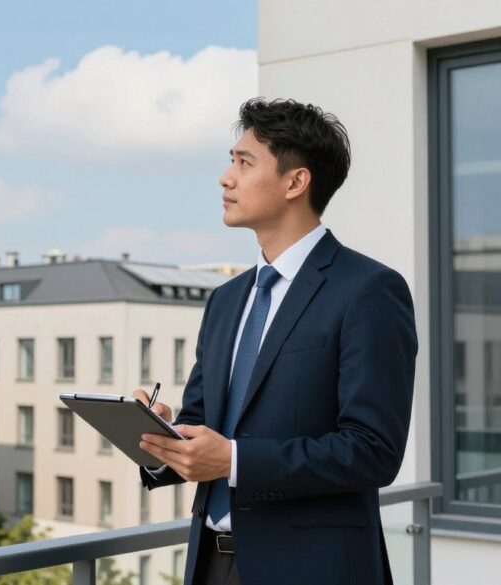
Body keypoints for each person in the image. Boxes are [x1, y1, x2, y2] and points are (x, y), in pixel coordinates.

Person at [134, 98, 417, 585]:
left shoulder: (368, 291)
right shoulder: (225, 299)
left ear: (295, 182)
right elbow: (202, 427)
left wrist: (236, 460)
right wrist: (160, 437)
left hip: (313, 569)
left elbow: (373, 450)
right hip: (210, 564)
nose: (226, 178)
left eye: (244, 163)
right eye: (231, 162)